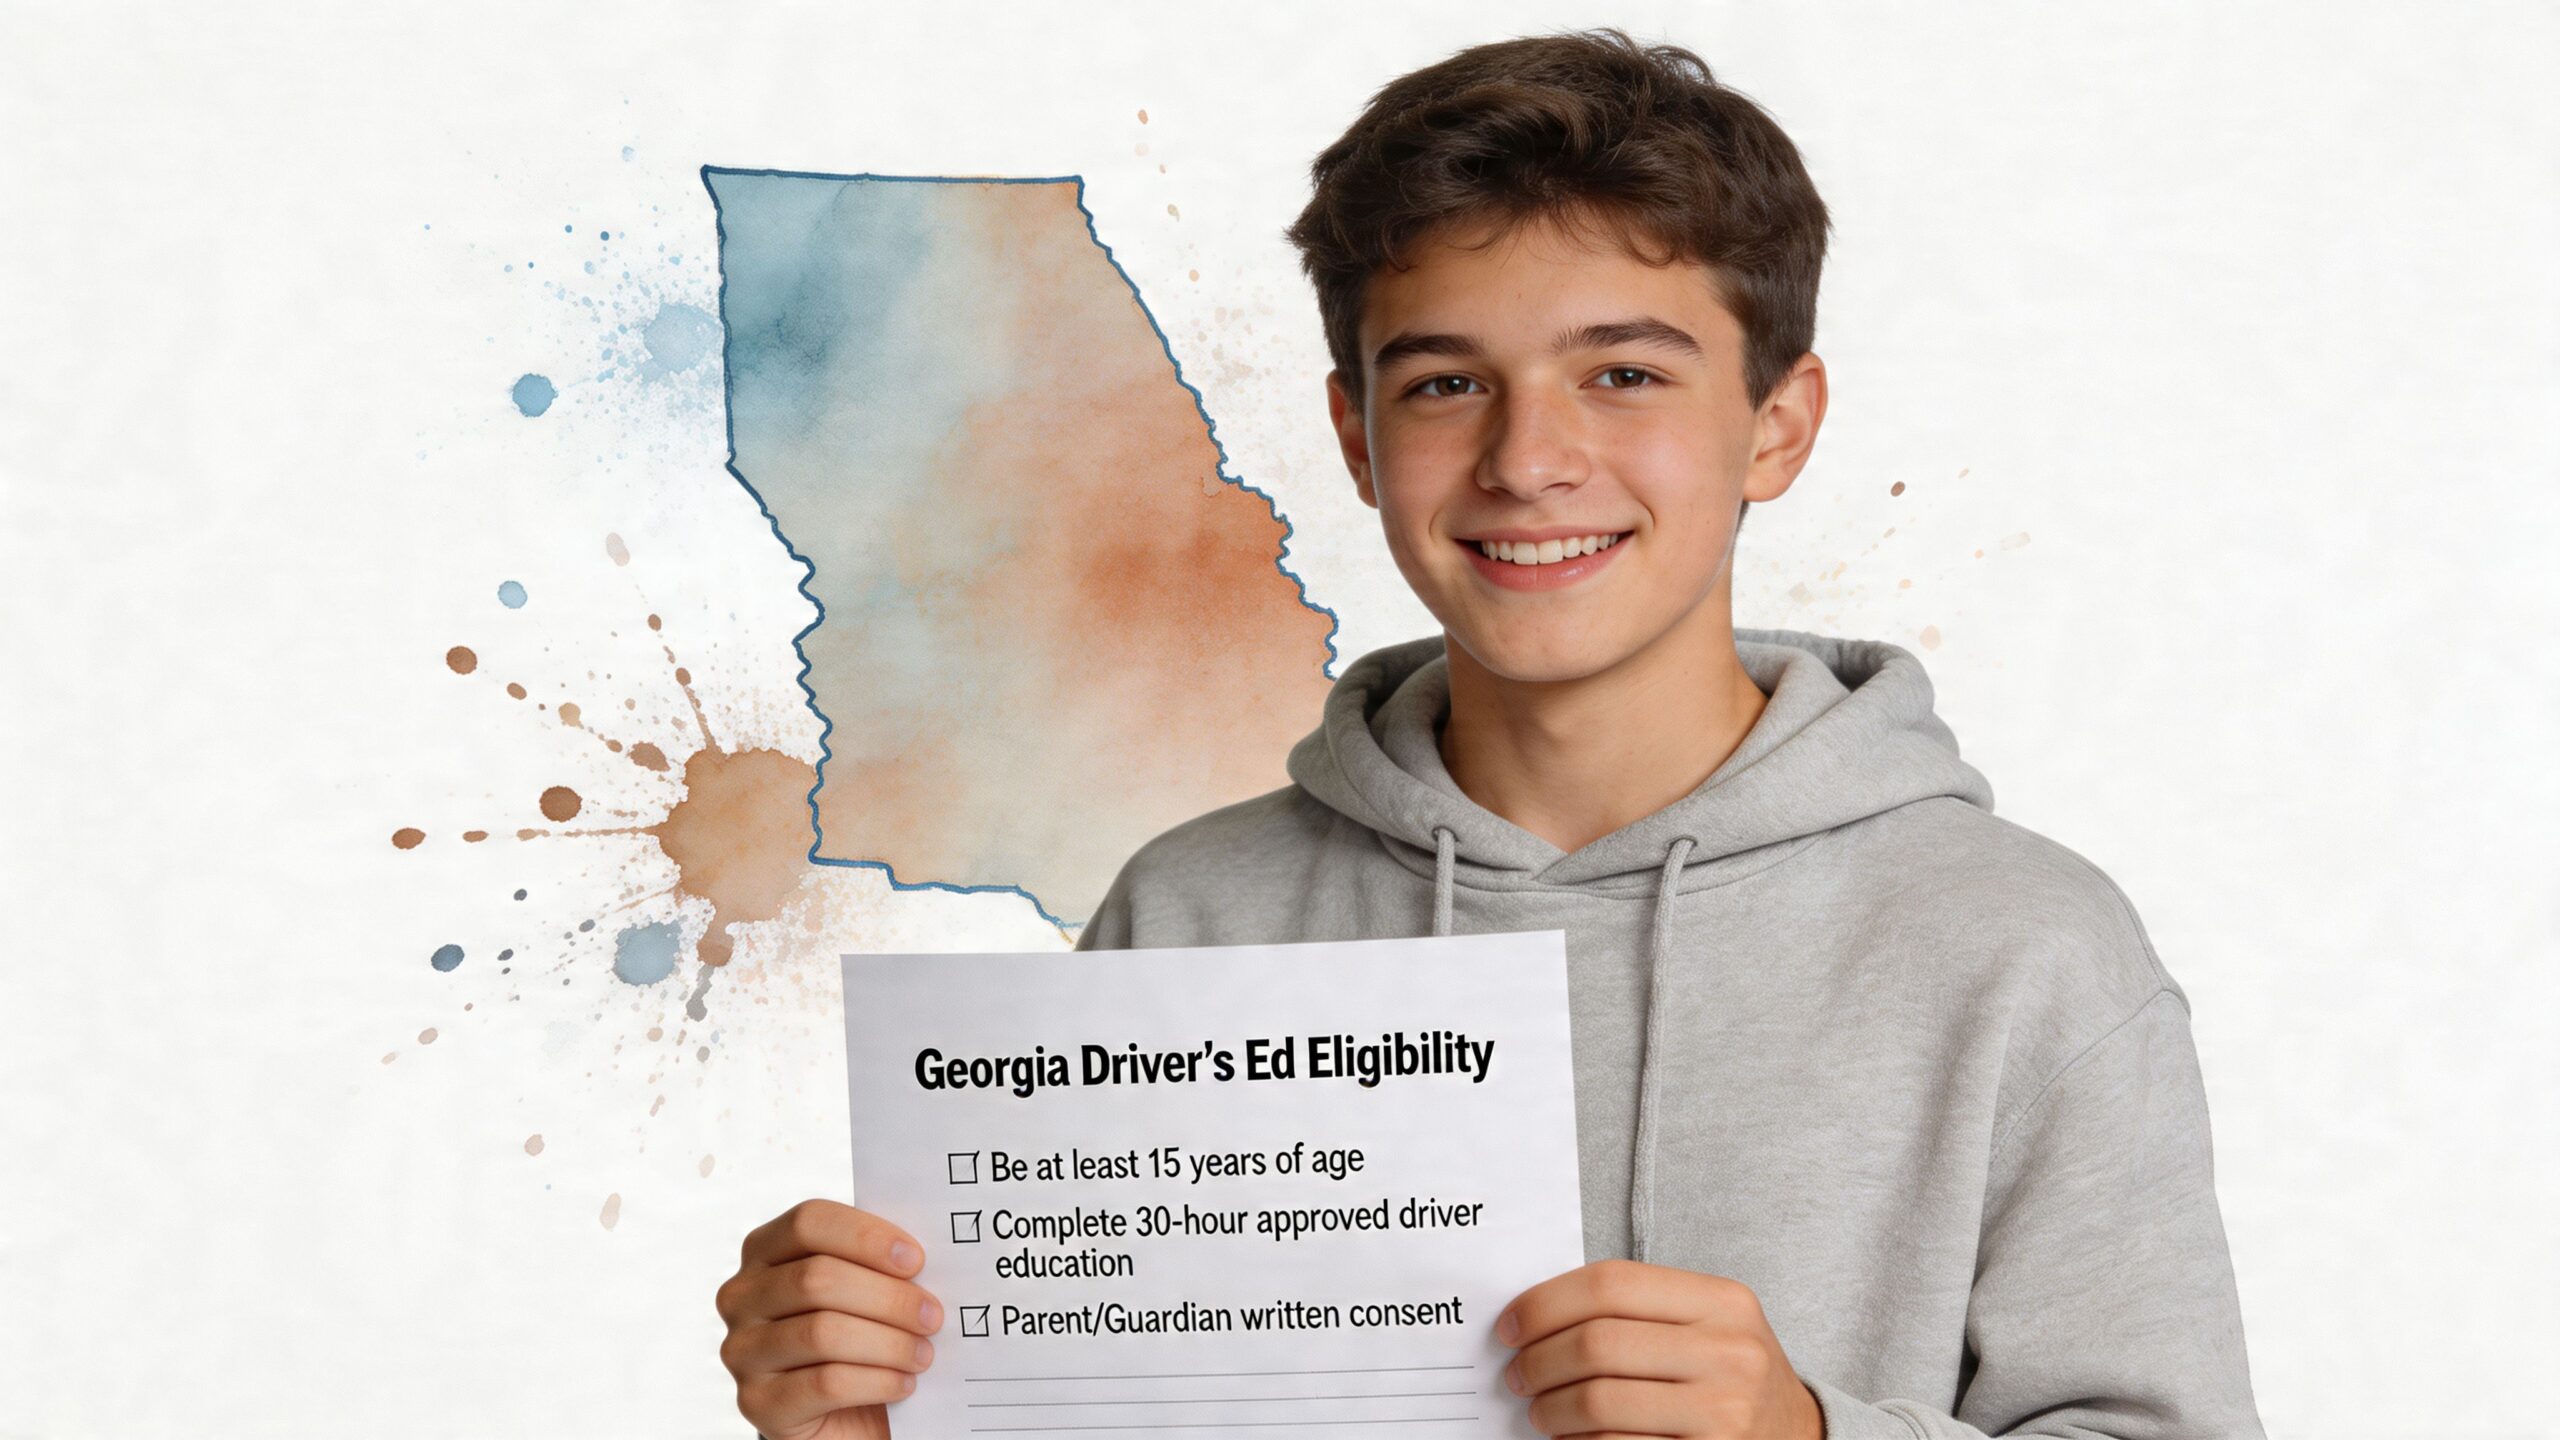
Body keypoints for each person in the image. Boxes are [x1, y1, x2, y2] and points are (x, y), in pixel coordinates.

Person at [714, 26, 2264, 1440]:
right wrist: (867, 1421)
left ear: (1778, 424)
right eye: (1449, 381)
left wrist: (1810, 1433)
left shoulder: (2022, 949)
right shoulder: (1191, 918)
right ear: (1356, 438)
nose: (1531, 459)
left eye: (1625, 373)